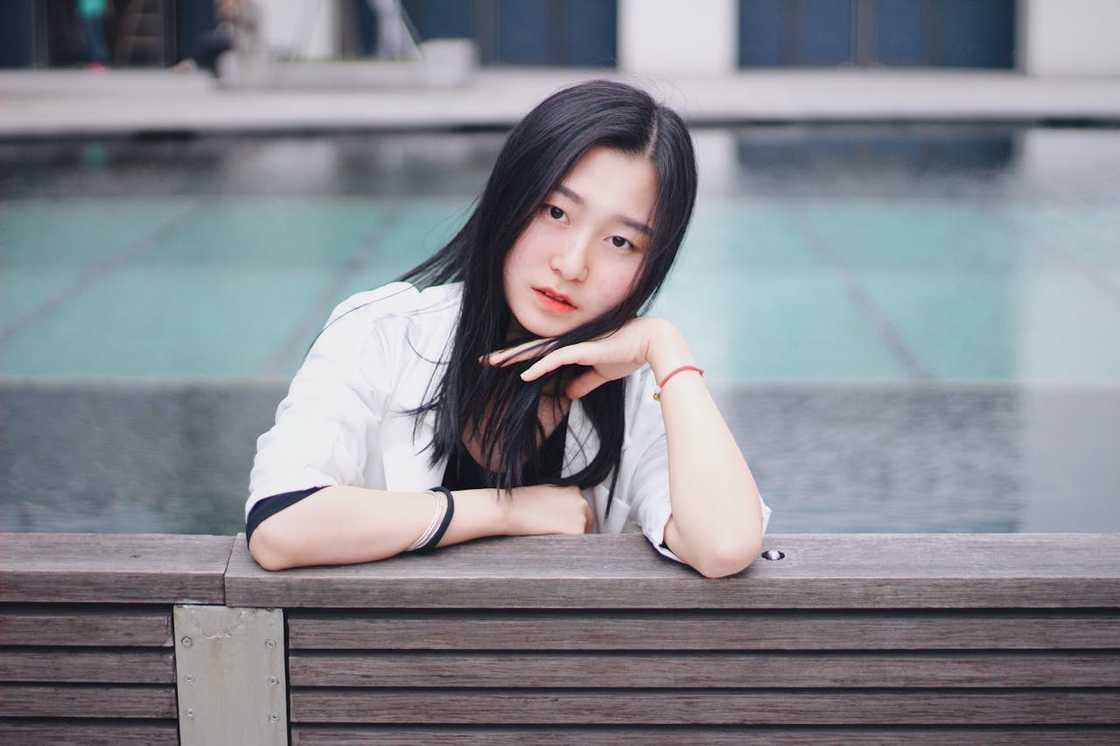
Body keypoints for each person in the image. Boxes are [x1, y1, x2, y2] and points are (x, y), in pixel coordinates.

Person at [245, 79, 773, 578]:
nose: (572, 265)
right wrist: (505, 511)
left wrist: (666, 347)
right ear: (510, 198)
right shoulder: (382, 332)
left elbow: (724, 545)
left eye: (621, 243)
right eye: (555, 211)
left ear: (650, 264)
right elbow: (280, 524)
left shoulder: (635, 389)